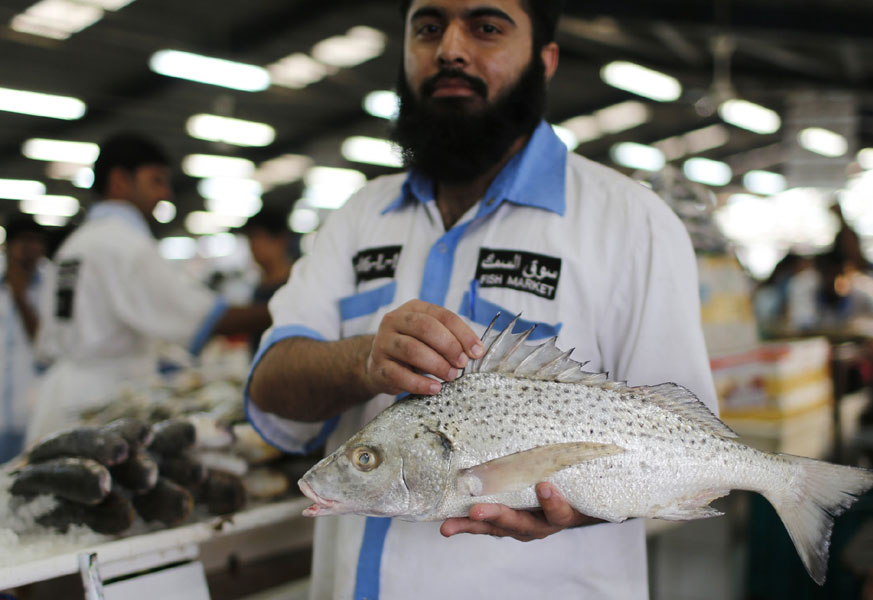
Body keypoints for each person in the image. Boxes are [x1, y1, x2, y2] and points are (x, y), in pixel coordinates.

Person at [246, 1, 717, 598]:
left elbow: (686, 446)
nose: (450, 49)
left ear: (544, 60)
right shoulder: (358, 216)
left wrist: (588, 504)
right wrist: (362, 361)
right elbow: (271, 384)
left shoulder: (632, 223)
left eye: (486, 27)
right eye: (428, 27)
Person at [29, 132, 271, 443]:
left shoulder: (76, 244)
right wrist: (285, 307)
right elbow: (203, 317)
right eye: (156, 180)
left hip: (59, 398)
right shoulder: (124, 244)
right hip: (100, 401)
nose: (166, 193)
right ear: (119, 180)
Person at [0, 215, 48, 462]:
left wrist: (20, 296)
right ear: (7, 246)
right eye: (24, 241)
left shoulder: (50, 285)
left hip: (30, 410)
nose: (31, 249)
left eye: (37, 242)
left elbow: (45, 345)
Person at [240, 207, 296, 354]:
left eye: (258, 238)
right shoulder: (259, 287)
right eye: (250, 240)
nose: (253, 247)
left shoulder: (295, 284)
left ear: (280, 240)